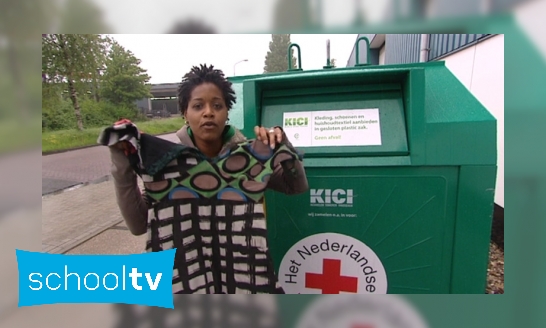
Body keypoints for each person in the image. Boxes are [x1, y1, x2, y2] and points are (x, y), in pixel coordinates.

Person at [102, 64, 308, 294]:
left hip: (242, 286)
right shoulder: (165, 165)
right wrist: (122, 163)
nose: (208, 112)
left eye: (217, 105)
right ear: (185, 112)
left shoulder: (250, 160)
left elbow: (296, 186)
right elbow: (138, 226)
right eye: (198, 106)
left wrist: (283, 147)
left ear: (227, 112)